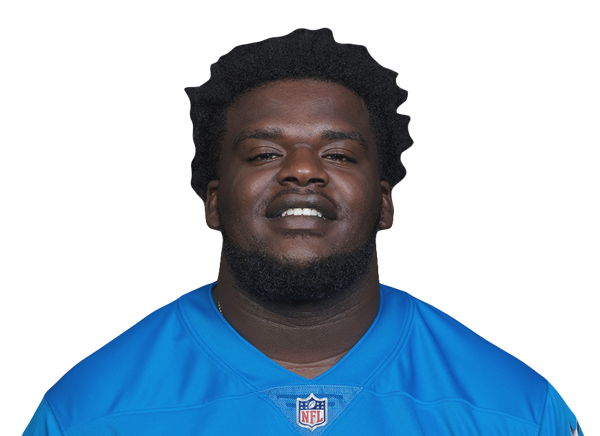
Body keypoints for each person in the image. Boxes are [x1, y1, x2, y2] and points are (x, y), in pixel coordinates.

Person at [23, 27, 582, 435]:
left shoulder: (517, 411)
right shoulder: (87, 414)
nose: (303, 170)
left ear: (384, 202)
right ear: (214, 201)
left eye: (338, 155)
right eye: (264, 153)